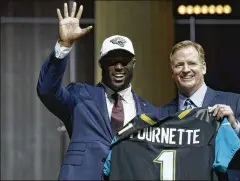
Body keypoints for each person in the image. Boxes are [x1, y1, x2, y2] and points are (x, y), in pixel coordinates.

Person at [36, 2, 157, 180]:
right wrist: (64, 45)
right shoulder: (80, 96)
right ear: (101, 64)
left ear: (133, 65)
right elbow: (47, 91)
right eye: (111, 61)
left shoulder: (150, 112)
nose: (118, 66)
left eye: (124, 61)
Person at [160, 40, 240, 180]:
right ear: (172, 72)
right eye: (179, 65)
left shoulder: (235, 103)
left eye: (192, 63)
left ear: (204, 68)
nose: (186, 69)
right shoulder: (163, 115)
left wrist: (235, 126)